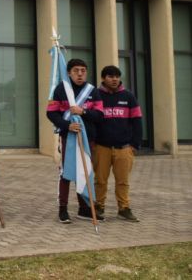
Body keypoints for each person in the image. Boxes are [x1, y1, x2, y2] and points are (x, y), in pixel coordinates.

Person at [46, 58, 104, 223]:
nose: (80, 74)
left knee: (85, 172)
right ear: (69, 73)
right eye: (76, 71)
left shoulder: (92, 91)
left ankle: (84, 208)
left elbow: (100, 115)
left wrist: (83, 112)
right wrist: (67, 125)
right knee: (66, 173)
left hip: (88, 138)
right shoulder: (61, 89)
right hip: (68, 137)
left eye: (83, 70)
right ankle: (63, 209)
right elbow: (51, 112)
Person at [94, 65, 142, 222]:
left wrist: (134, 144)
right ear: (103, 78)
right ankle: (98, 207)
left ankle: (124, 208)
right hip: (102, 147)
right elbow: (91, 120)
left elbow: (137, 121)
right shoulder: (96, 95)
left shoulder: (128, 96)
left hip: (124, 148)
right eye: (110, 76)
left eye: (117, 76)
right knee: (100, 180)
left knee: (123, 181)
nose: (114, 79)